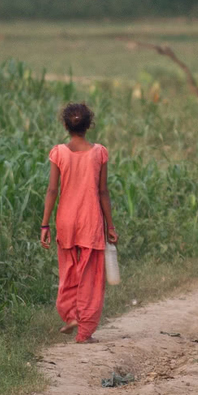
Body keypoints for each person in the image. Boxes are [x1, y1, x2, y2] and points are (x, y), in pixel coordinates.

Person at [40, 103, 118, 344]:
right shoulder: (100, 153)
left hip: (66, 221)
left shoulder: (59, 153)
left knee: (69, 271)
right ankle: (85, 331)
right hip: (91, 221)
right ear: (89, 125)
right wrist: (111, 226)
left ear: (65, 125)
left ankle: (71, 315)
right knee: (91, 277)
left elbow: (53, 190)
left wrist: (45, 225)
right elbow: (103, 192)